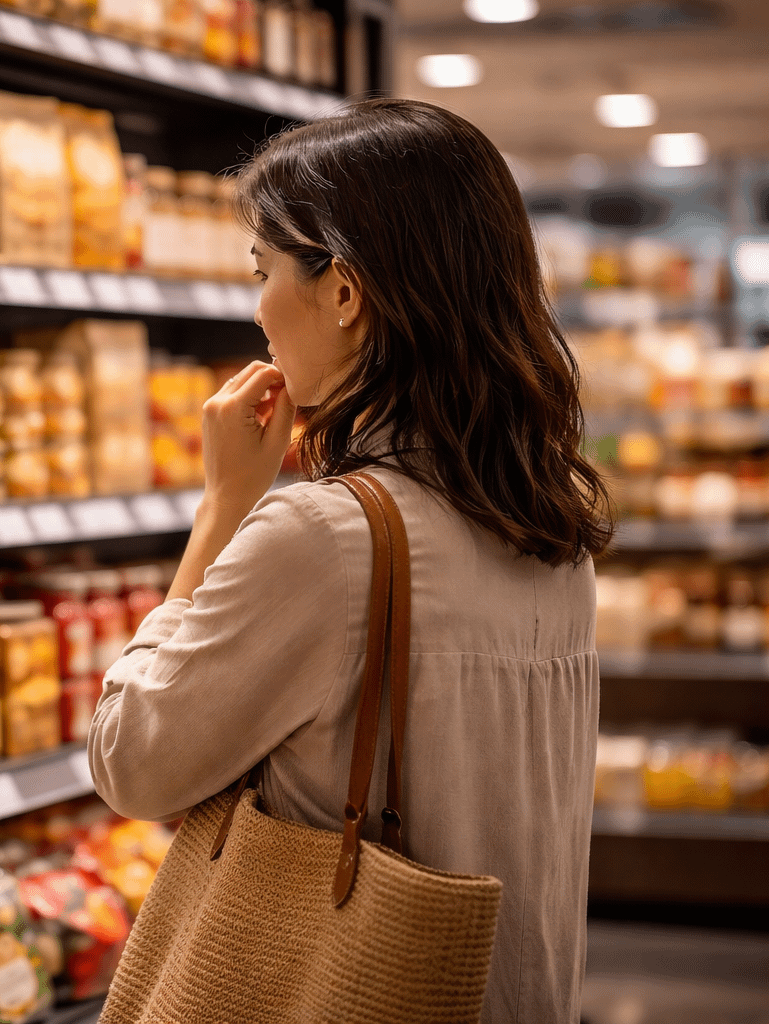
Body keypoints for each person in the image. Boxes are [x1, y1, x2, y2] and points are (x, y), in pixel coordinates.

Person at [88, 97, 611, 1024]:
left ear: (343, 292)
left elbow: (134, 761)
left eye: (264, 271)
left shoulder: (323, 539)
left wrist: (221, 510)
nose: (258, 310)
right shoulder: (553, 530)